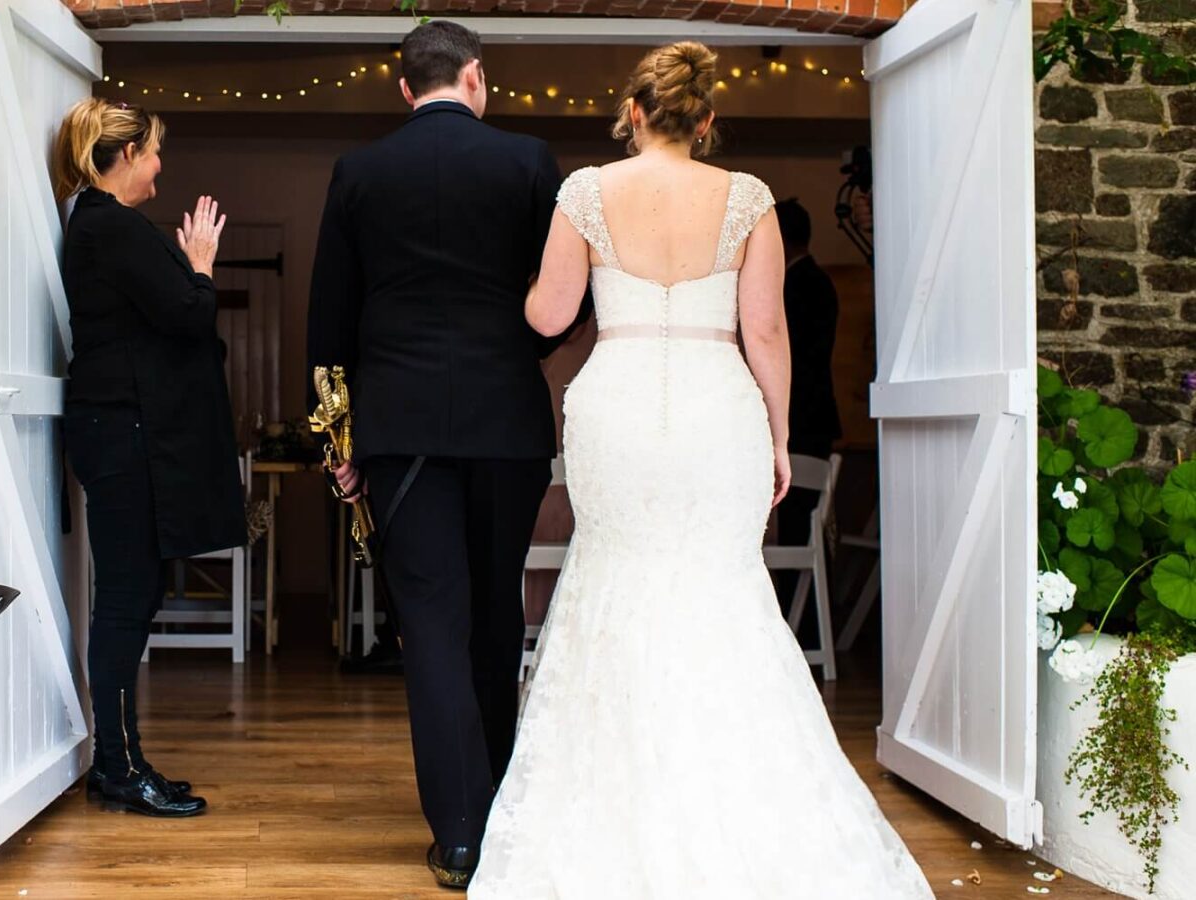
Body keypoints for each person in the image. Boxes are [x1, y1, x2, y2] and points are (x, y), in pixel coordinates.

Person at [471, 42, 933, 897]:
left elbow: (551, 311)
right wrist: (777, 437)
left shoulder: (585, 192)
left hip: (616, 406)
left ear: (634, 111)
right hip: (720, 406)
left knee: (614, 577)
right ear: (708, 120)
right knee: (723, 589)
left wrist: (516, 274)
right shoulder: (749, 198)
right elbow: (766, 334)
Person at [306, 20, 586, 888]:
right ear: (476, 77)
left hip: (399, 430)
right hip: (506, 422)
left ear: (404, 89)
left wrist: (337, 438)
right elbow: (562, 303)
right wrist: (515, 356)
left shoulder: (358, 172)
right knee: (498, 612)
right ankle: (497, 805)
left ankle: (458, 830)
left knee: (430, 623)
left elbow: (329, 321)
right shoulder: (529, 162)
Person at [51, 97, 245, 818]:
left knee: (135, 594)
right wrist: (200, 265)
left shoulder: (98, 227)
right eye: (155, 152)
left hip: (121, 431)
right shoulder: (113, 228)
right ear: (124, 154)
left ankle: (121, 758)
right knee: (129, 598)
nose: (161, 168)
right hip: (123, 434)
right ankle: (117, 766)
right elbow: (188, 315)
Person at [774, 197, 843, 552]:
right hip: (812, 413)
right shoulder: (816, 281)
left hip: (801, 415)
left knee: (798, 523)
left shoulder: (796, 286)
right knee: (801, 523)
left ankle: (796, 604)